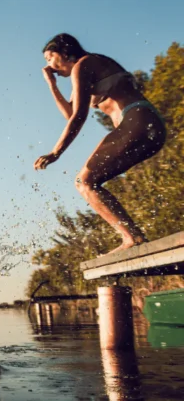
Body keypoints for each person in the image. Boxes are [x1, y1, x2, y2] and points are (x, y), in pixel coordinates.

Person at [36, 33, 167, 254]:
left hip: (136, 119)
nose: (48, 65)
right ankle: (133, 237)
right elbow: (70, 113)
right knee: (89, 182)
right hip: (148, 127)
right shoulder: (86, 70)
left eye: (50, 58)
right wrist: (52, 85)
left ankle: (132, 237)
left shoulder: (84, 64)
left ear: (65, 53)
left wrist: (55, 152)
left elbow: (79, 116)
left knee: (84, 182)